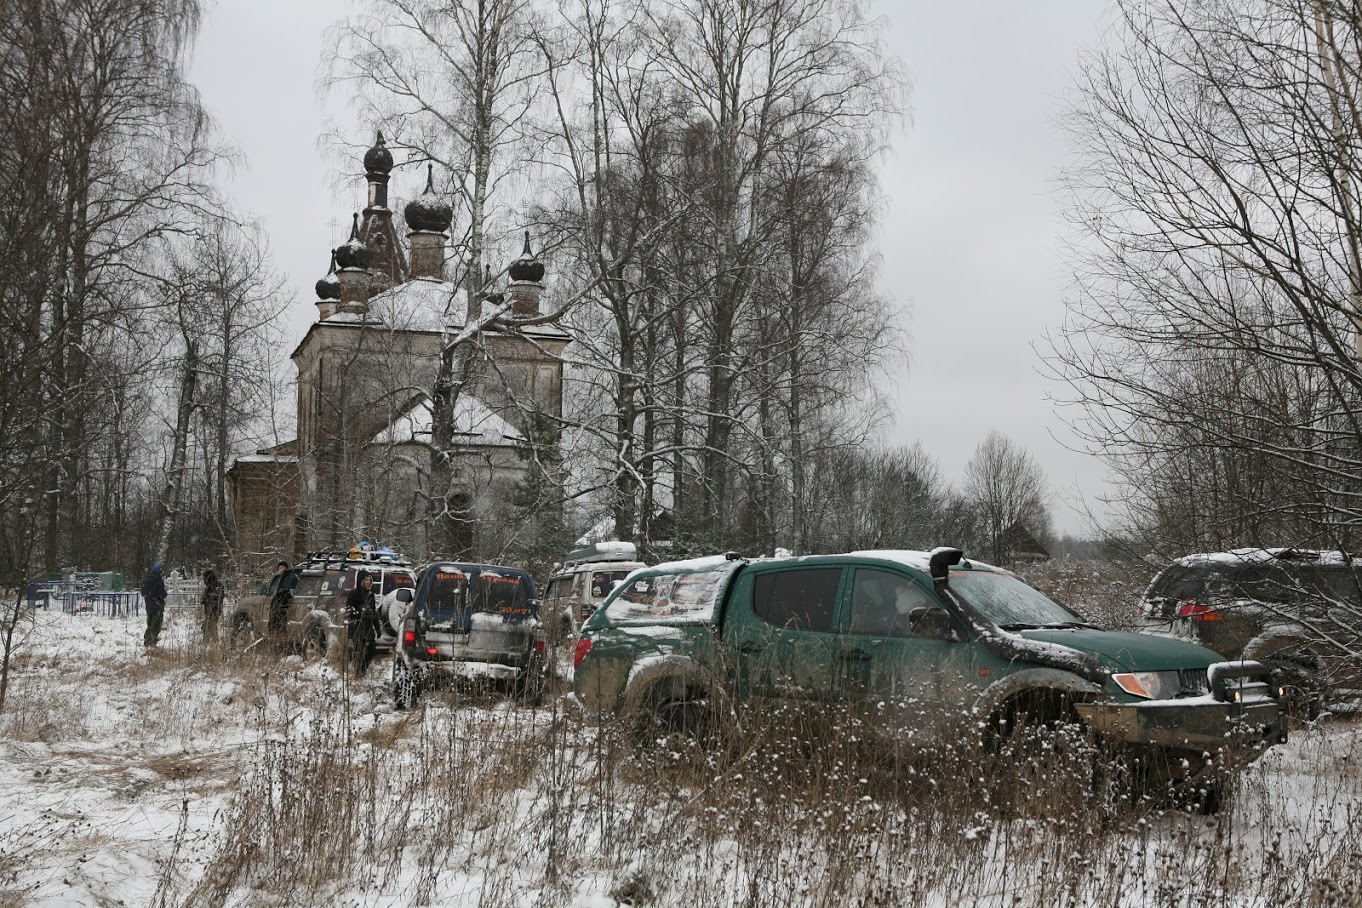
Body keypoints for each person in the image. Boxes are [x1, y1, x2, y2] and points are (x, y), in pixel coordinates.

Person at [345, 570, 378, 675]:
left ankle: (363, 669)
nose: (368, 582)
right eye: (366, 580)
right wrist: (360, 612)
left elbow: (374, 612)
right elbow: (349, 610)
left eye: (370, 580)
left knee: (371, 649)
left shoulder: (371, 594)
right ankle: (358, 671)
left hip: (368, 627)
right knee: (358, 650)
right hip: (357, 627)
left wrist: (377, 627)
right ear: (361, 581)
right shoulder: (354, 594)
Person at [268, 560, 297, 644]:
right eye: (279, 567)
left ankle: (281, 630)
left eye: (282, 567)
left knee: (282, 615)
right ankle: (276, 630)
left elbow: (293, 588)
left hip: (287, 600)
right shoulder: (278, 577)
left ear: (286, 568)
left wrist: (287, 593)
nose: (281, 569)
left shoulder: (291, 577)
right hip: (278, 600)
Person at [140, 563, 167, 647]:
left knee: (150, 622)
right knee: (156, 624)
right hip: (157, 605)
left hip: (148, 604)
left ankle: (148, 639)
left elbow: (143, 592)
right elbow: (162, 594)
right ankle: (151, 640)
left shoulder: (145, 580)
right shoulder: (159, 581)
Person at [201, 569, 224, 644]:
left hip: (213, 610)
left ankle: (209, 642)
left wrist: (207, 600)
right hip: (213, 610)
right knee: (211, 626)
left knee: (208, 627)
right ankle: (213, 642)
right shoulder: (213, 585)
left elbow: (216, 597)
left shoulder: (214, 585)